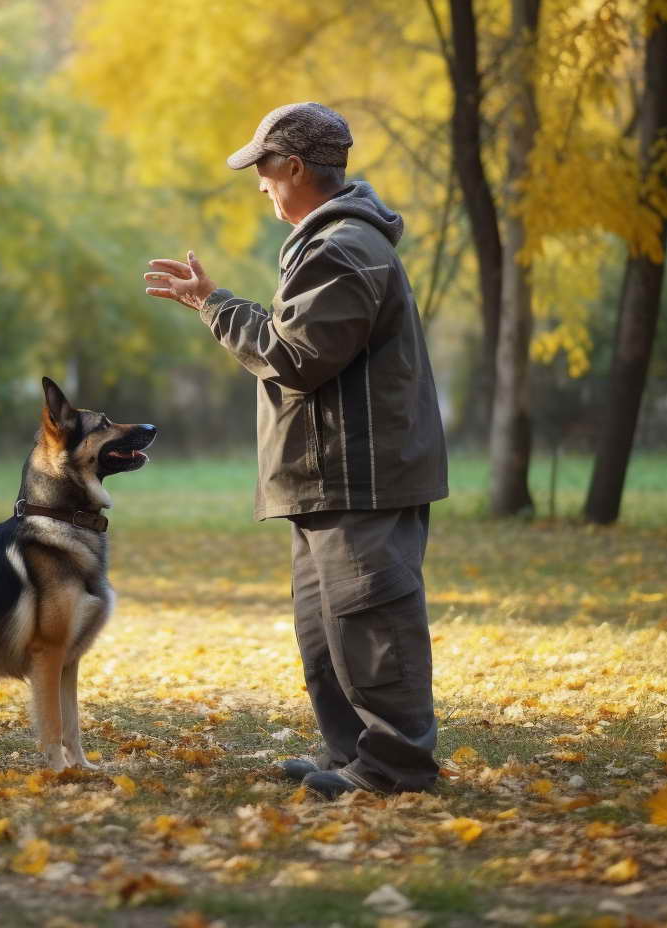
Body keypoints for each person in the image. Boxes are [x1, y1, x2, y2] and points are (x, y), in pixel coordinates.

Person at [143, 102, 448, 797]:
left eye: (263, 168)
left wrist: (215, 306)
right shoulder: (325, 243)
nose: (259, 185)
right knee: (328, 638)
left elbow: (298, 355)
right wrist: (214, 303)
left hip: (360, 478)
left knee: (372, 626)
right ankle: (354, 759)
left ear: (295, 167)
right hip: (328, 478)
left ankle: (396, 770)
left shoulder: (344, 247)